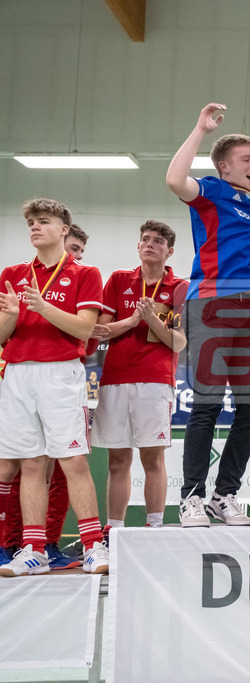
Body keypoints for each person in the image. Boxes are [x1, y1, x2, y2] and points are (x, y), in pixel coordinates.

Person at [166, 103, 250, 528]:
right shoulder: (211, 191)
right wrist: (200, 128)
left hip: (248, 310)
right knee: (206, 405)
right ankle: (192, 497)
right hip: (209, 306)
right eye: (247, 159)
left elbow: (227, 254)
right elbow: (174, 179)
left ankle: (224, 496)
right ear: (225, 167)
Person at [0, 198, 109, 576]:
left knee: (74, 461)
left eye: (43, 221)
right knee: (31, 463)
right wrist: (11, 317)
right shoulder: (12, 273)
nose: (34, 227)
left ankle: (94, 547)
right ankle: (33, 549)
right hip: (16, 374)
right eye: (31, 221)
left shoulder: (85, 272)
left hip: (62, 373)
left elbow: (84, 329)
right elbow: (1, 338)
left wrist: (43, 306)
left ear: (63, 229)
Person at [91, 221, 187, 532]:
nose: (149, 244)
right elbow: (100, 329)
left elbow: (179, 341)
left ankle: (154, 527)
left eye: (158, 241)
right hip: (115, 379)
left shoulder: (179, 287)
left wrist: (152, 319)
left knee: (152, 460)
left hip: (155, 381)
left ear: (169, 251)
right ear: (138, 246)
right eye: (145, 239)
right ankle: (113, 531)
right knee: (117, 461)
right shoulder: (119, 280)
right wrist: (133, 320)